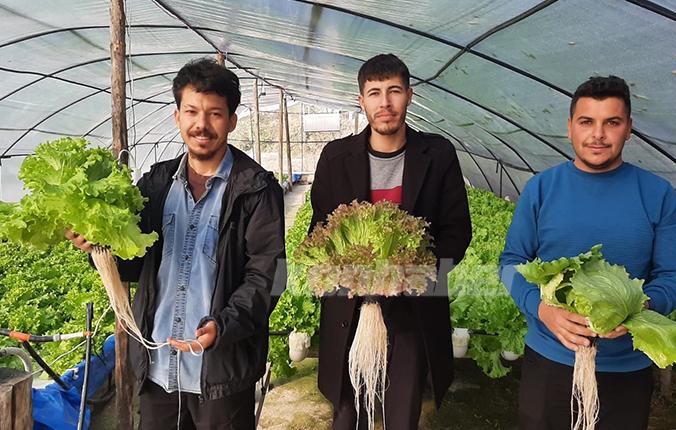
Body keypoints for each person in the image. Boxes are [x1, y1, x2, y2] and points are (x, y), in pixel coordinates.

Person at [67, 57, 286, 429]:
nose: (202, 124)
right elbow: (134, 264)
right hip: (158, 368)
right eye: (192, 112)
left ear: (232, 121)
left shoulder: (257, 189)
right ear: (177, 117)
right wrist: (99, 248)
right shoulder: (155, 184)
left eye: (215, 114)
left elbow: (272, 276)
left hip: (221, 371)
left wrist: (225, 326)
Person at [499, 75, 676, 429]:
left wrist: (641, 308)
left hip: (626, 370)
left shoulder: (658, 195)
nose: (598, 134)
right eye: (586, 122)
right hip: (550, 360)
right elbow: (511, 264)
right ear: (570, 127)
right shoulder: (541, 189)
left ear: (629, 129)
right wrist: (542, 309)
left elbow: (675, 276)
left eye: (612, 122)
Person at [309, 53, 472, 430]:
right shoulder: (335, 157)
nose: (385, 102)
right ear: (361, 100)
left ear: (409, 95)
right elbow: (320, 230)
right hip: (350, 312)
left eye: (394, 91)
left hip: (412, 311)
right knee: (349, 414)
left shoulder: (438, 154)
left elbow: (457, 231)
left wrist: (411, 272)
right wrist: (349, 275)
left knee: (403, 413)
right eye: (375, 93)